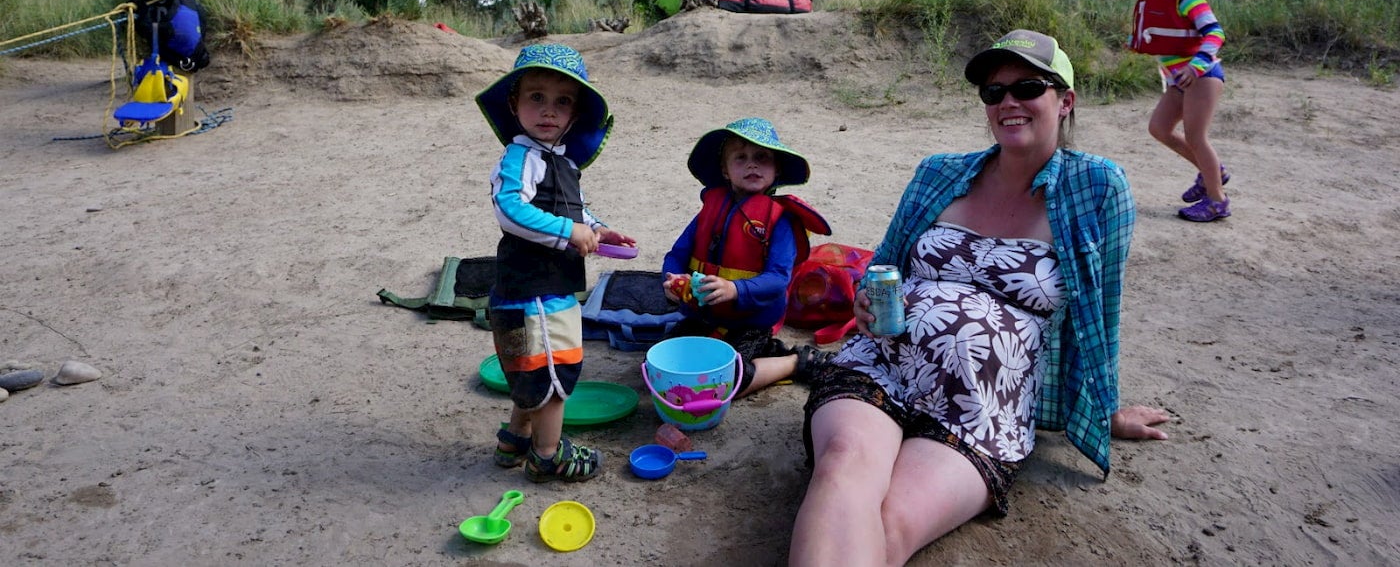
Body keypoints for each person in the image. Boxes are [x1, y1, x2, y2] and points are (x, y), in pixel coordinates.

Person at [789, 30, 1169, 567]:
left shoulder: (1098, 186)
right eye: (994, 92)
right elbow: (884, 265)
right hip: (882, 366)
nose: (1009, 101)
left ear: (1065, 101)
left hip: (983, 408)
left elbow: (1102, 311)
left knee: (892, 525)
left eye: (1028, 87)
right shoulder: (939, 173)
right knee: (842, 466)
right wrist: (865, 304)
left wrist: (1101, 410)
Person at [475, 43, 635, 482]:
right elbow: (509, 208)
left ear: (574, 113)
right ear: (514, 104)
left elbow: (575, 210)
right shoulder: (519, 156)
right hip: (533, 291)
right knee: (555, 371)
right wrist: (569, 233)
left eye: (562, 101)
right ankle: (548, 454)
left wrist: (598, 230)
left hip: (546, 289)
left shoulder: (560, 161)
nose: (549, 111)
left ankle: (516, 439)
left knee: (533, 369)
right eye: (536, 97)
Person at [661, 117, 834, 397]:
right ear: (725, 171)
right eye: (740, 157)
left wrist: (734, 289)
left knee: (727, 382)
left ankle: (792, 361)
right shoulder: (710, 209)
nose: (751, 164)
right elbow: (676, 255)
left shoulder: (781, 221)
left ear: (777, 169)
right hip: (702, 316)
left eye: (762, 157)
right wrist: (670, 280)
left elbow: (778, 280)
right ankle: (757, 352)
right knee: (661, 367)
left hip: (750, 322)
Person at [1124, 0, 1234, 222]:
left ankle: (1217, 200)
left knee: (1196, 136)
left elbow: (1215, 33)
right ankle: (1213, 172)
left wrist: (1196, 65)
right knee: (1159, 128)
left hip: (1203, 76)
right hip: (1179, 79)